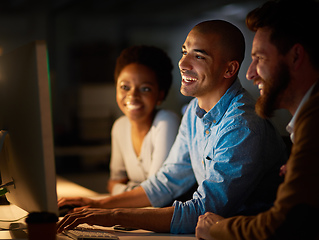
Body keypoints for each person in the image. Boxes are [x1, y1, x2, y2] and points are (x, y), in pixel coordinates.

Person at [57, 20, 287, 234]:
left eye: (199, 56)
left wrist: (111, 216)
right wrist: (98, 205)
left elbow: (203, 211)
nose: (183, 63)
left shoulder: (242, 125)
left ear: (229, 70)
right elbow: (168, 181)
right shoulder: (193, 113)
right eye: (184, 52)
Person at [195, 1, 319, 239]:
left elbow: (280, 226)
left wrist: (216, 229)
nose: (250, 74)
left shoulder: (315, 124)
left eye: (259, 58)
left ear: (295, 56)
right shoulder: (307, 122)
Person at [107, 45, 180, 195]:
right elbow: (114, 181)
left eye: (145, 88)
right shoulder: (119, 127)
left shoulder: (166, 122)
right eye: (125, 87)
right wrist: (133, 190)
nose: (132, 95)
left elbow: (156, 194)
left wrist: (120, 189)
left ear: (160, 95)